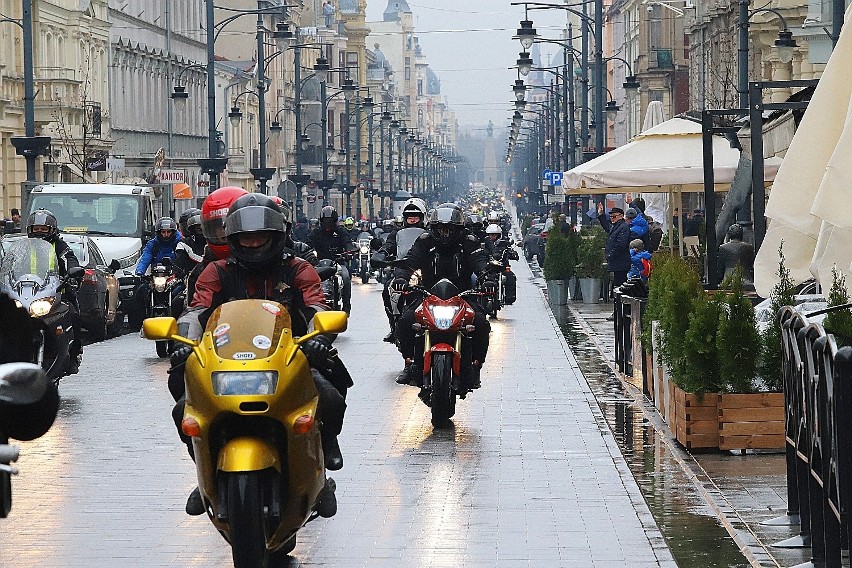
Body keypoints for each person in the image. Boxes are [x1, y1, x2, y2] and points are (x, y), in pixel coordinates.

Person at [173, 193, 351, 515]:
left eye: (260, 237)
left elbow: (316, 305)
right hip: (226, 362)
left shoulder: (298, 269)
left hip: (290, 355)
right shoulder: (216, 271)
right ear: (233, 239)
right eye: (246, 238)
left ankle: (324, 455)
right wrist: (182, 341)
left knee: (331, 395)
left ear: (276, 236)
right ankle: (205, 476)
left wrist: (319, 335)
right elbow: (196, 310)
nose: (253, 244)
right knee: (183, 406)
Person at [391, 203, 491, 389]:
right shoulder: (424, 240)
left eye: (449, 229)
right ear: (433, 228)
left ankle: (475, 365)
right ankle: (410, 361)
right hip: (428, 294)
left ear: (458, 229)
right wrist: (401, 278)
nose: (445, 233)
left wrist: (487, 277)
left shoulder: (468, 241)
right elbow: (410, 261)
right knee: (405, 321)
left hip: (463, 295)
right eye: (440, 229)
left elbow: (480, 261)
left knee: (481, 324)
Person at [25, 209, 84, 373]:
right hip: (28, 294)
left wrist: (73, 273)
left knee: (74, 316)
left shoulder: (59, 245)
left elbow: (70, 258)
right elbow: (10, 263)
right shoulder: (25, 248)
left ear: (52, 230)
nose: (39, 232)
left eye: (43, 229)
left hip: (58, 293)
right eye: (36, 229)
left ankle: (73, 354)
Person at [371, 198, 427, 343]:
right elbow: (389, 245)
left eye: (416, 217)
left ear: (423, 217)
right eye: (409, 217)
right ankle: (394, 326)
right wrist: (381, 253)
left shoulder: (429, 233)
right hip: (403, 269)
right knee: (387, 290)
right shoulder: (396, 233)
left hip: (426, 269)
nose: (412, 220)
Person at [132, 217, 182, 327]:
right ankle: (143, 321)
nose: (166, 235)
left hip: (175, 276)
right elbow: (145, 258)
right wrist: (140, 272)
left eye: (169, 232)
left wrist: (180, 271)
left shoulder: (180, 242)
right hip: (156, 277)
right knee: (141, 292)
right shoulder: (152, 244)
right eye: (163, 232)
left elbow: (183, 258)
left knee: (180, 296)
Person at [306, 206, 352, 314]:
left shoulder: (341, 231)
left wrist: (349, 252)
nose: (328, 224)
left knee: (345, 277)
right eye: (325, 221)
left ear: (335, 221)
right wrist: (307, 253)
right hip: (319, 263)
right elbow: (307, 244)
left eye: (330, 221)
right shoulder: (316, 232)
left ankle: (347, 306)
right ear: (321, 221)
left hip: (337, 262)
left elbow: (348, 242)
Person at [596, 204, 631, 288]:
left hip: (620, 261)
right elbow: (607, 226)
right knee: (617, 283)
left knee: (620, 284)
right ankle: (617, 299)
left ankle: (619, 300)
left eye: (614, 216)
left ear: (621, 216)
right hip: (617, 262)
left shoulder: (623, 227)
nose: (612, 218)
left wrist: (610, 255)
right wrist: (601, 214)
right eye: (611, 217)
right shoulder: (616, 226)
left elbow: (620, 245)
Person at [484, 223, 517, 305]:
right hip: (488, 267)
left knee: (510, 276)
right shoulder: (484, 245)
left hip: (502, 266)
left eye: (494, 235)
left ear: (499, 235)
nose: (493, 237)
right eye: (491, 235)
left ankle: (509, 298)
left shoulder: (504, 243)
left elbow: (509, 250)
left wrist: (513, 254)